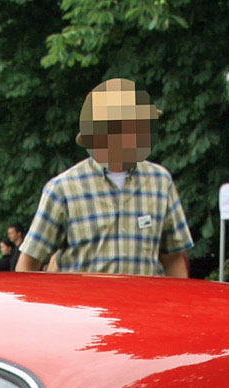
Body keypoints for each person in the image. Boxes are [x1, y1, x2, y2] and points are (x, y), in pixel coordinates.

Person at [16, 78, 192, 277]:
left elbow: (174, 260)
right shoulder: (63, 189)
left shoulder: (160, 182)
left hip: (144, 307)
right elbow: (27, 266)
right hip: (84, 307)